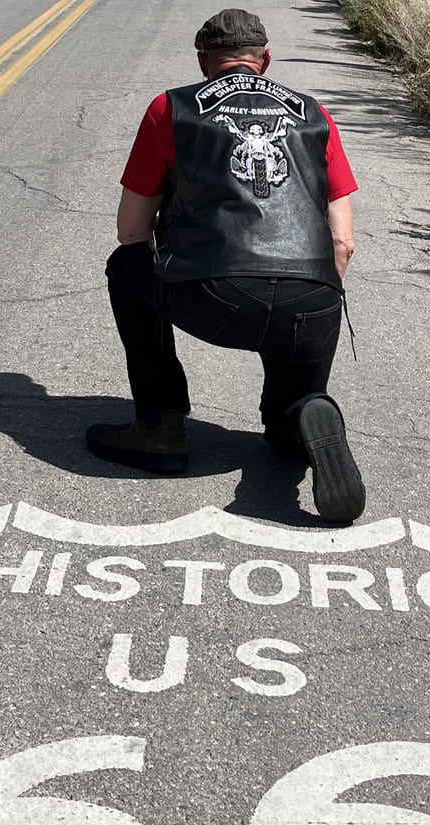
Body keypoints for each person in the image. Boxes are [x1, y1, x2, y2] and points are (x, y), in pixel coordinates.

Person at [87, 7, 366, 523]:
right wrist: (309, 302)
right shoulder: (313, 112)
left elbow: (131, 232)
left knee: (125, 265)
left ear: (203, 62)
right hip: (314, 297)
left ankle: (160, 425)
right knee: (288, 416)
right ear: (265, 61)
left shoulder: (169, 109)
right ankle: (305, 413)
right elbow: (343, 242)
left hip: (217, 295)